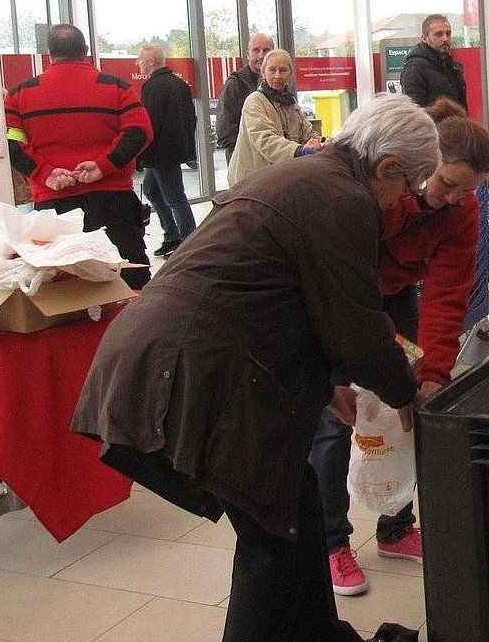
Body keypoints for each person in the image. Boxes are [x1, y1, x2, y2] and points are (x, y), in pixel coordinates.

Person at [70, 94, 441, 642]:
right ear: (387, 166)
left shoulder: (306, 178)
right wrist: (407, 391)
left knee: (294, 513)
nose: (400, 202)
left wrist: (323, 388)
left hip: (173, 357)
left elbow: (271, 295)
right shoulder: (343, 198)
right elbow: (354, 323)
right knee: (273, 536)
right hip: (195, 371)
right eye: (405, 187)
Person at [310, 96, 489, 596]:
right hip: (339, 297)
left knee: (406, 406)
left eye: (468, 190)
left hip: (393, 301)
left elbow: (448, 292)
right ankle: (330, 542)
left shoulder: (463, 209)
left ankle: (395, 526)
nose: (455, 198)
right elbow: (334, 281)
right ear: (420, 167)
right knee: (337, 417)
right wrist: (336, 366)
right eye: (447, 184)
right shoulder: (374, 190)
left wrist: (434, 368)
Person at [4, 23, 153, 290]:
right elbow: (139, 132)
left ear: (50, 54)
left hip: (53, 207)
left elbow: (11, 144)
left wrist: (45, 173)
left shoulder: (18, 95)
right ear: (85, 50)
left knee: (63, 283)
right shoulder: (116, 87)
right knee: (130, 276)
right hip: (113, 201)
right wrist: (102, 165)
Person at [400, 13, 489, 287]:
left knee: (471, 211)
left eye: (448, 33)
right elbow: (417, 112)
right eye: (438, 34)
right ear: (424, 37)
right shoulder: (416, 68)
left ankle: (481, 267)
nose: (445, 39)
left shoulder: (451, 66)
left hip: (457, 144)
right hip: (436, 150)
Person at [135, 43, 198, 259]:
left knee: (175, 197)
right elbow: (191, 117)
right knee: (153, 191)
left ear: (151, 62)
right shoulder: (179, 84)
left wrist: (140, 153)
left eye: (140, 60)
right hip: (172, 151)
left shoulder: (152, 87)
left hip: (159, 153)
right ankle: (172, 235)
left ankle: (187, 244)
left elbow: (148, 123)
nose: (138, 64)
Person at [227, 49, 323, 186]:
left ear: (290, 74)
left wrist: (321, 143)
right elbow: (265, 140)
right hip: (251, 181)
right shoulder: (255, 101)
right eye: (272, 70)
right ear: (263, 72)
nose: (277, 76)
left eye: (283, 70)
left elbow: (306, 132)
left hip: (278, 177)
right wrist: (299, 151)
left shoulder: (290, 101)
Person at [217, 32, 274, 164]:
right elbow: (225, 131)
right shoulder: (235, 84)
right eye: (256, 50)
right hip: (246, 162)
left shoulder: (279, 86)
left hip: (274, 161)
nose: (261, 55)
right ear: (248, 54)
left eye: (266, 50)